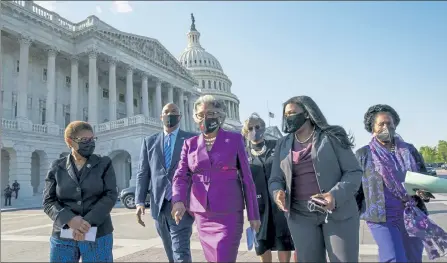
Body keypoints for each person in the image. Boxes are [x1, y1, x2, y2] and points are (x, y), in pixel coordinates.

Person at [269, 95, 362, 262]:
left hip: (337, 213)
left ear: (307, 113)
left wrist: (334, 196)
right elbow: (275, 178)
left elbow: (354, 171)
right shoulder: (282, 144)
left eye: (292, 113)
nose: (287, 117)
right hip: (300, 217)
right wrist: (277, 192)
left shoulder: (332, 136)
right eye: (285, 114)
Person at [171, 95, 261, 263]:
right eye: (200, 114)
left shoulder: (234, 140)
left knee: (223, 256)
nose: (205, 118)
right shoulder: (189, 144)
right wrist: (178, 200)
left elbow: (247, 179)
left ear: (220, 115)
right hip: (202, 214)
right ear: (195, 117)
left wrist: (254, 215)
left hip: (229, 213)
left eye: (210, 113)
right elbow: (180, 176)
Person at [355, 104, 447, 262]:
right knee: (394, 258)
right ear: (372, 128)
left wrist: (423, 191)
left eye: (389, 123)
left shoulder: (409, 150)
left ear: (395, 125)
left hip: (411, 214)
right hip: (381, 218)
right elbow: (357, 188)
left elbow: (423, 177)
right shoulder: (364, 153)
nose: (386, 127)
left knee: (413, 258)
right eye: (381, 124)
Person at [43, 121, 118, 263]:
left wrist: (85, 223)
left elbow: (110, 195)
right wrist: (70, 220)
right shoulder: (56, 166)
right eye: (84, 140)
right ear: (69, 141)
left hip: (98, 235)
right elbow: (48, 201)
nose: (90, 143)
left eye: (92, 139)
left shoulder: (104, 163)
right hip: (63, 236)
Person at [135, 103, 196, 263]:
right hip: (159, 205)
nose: (170, 114)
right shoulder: (149, 141)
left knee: (181, 251)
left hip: (182, 204)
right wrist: (139, 201)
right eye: (166, 112)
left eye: (174, 112)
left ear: (180, 117)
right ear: (161, 117)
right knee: (170, 250)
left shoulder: (191, 139)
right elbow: (143, 173)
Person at [242, 113, 294, 263]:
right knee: (262, 243)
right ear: (245, 132)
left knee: (283, 241)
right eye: (250, 128)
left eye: (257, 127)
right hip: (258, 206)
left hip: (279, 200)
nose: (254, 130)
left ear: (263, 128)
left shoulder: (277, 145)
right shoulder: (243, 153)